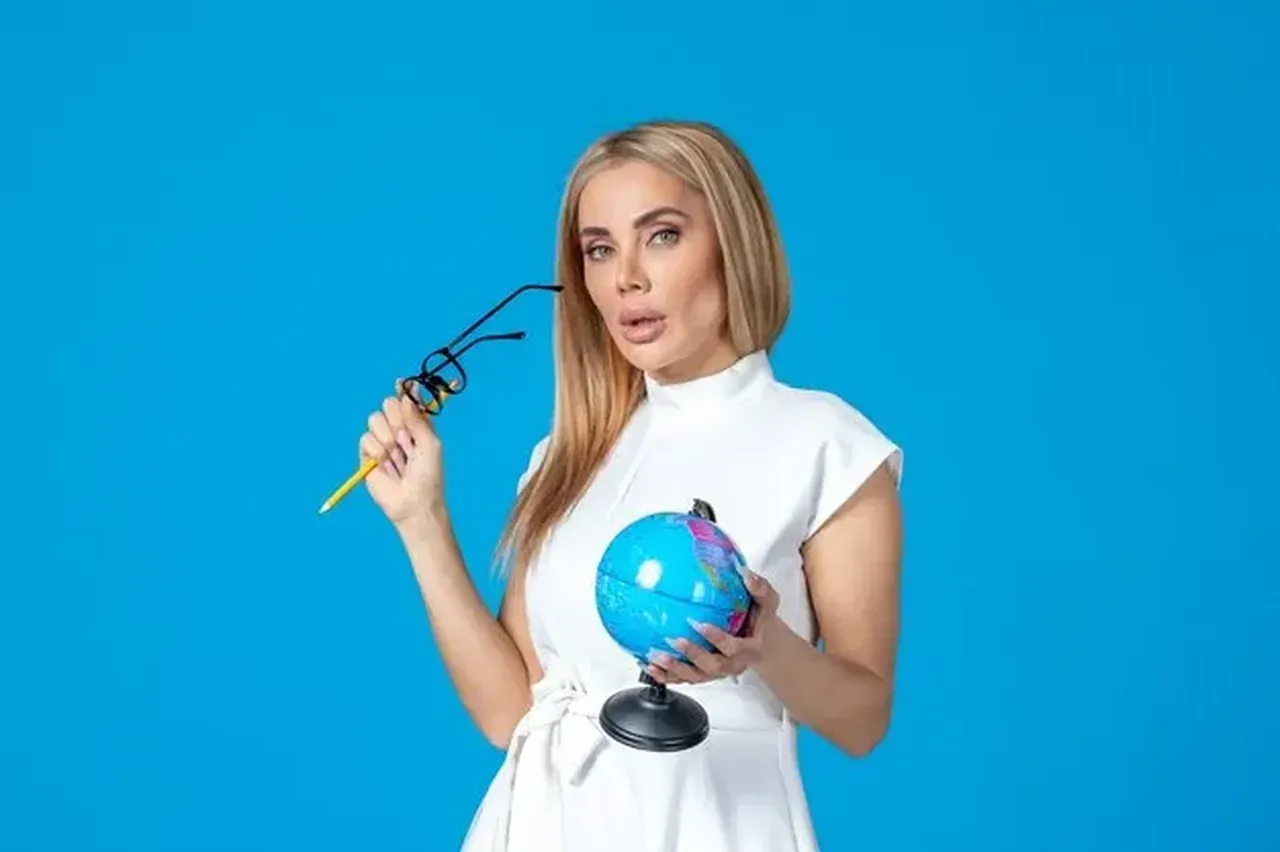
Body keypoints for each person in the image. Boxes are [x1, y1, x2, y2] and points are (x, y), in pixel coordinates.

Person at [358, 119, 905, 851]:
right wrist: (420, 520)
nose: (627, 278)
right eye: (600, 249)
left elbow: (864, 720)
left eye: (663, 235)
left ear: (733, 243)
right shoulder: (568, 455)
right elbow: (509, 714)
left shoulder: (827, 443)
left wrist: (763, 646)